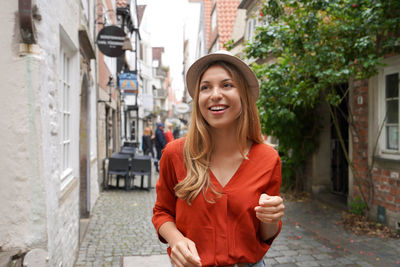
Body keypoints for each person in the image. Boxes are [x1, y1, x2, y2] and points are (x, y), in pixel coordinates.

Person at [152, 50, 285, 267]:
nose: (215, 94)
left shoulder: (268, 158)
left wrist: (271, 217)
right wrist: (176, 241)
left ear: (243, 95)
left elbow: (265, 234)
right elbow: (162, 212)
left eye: (226, 85)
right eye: (205, 87)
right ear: (198, 100)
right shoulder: (175, 154)